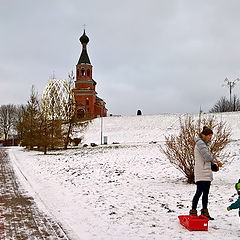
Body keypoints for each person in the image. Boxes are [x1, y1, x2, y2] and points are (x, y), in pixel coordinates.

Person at [189, 126, 221, 220]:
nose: (210, 137)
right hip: (201, 172)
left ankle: (205, 212)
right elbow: (207, 157)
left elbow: (207, 158)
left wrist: (213, 166)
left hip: (206, 171)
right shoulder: (200, 144)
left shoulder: (205, 145)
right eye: (209, 135)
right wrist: (215, 162)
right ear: (204, 135)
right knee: (199, 192)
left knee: (206, 193)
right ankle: (193, 211)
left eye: (211, 135)